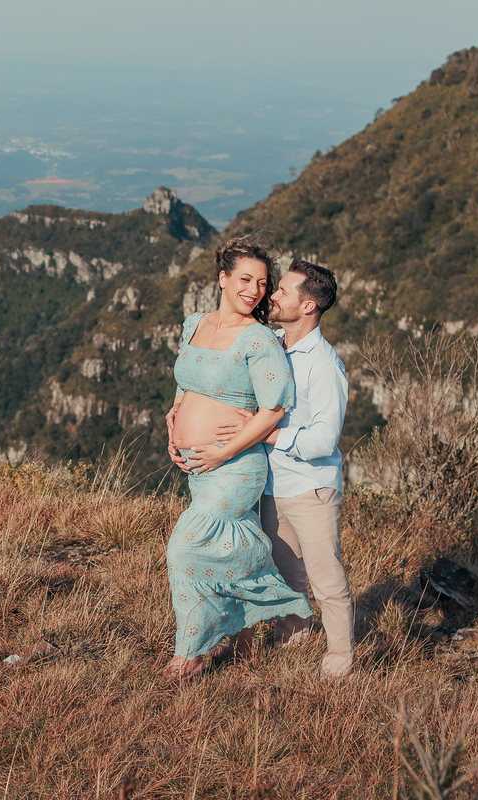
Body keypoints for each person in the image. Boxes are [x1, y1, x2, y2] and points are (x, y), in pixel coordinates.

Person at [162, 236, 314, 683]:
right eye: (245, 279)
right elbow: (187, 379)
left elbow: (274, 409)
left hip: (235, 467)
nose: (255, 290)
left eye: (263, 283)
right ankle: (242, 640)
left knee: (185, 548)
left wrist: (224, 450)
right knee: (229, 551)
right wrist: (174, 420)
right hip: (199, 468)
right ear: (223, 278)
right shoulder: (195, 324)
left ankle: (188, 654)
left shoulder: (259, 340)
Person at [217, 259, 353, 679]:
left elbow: (321, 440)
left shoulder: (324, 365)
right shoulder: (273, 345)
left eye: (284, 291)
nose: (272, 295)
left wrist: (265, 433)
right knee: (286, 574)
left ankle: (340, 661)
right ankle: (292, 645)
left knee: (326, 579)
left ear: (308, 306)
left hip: (311, 489)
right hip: (273, 485)